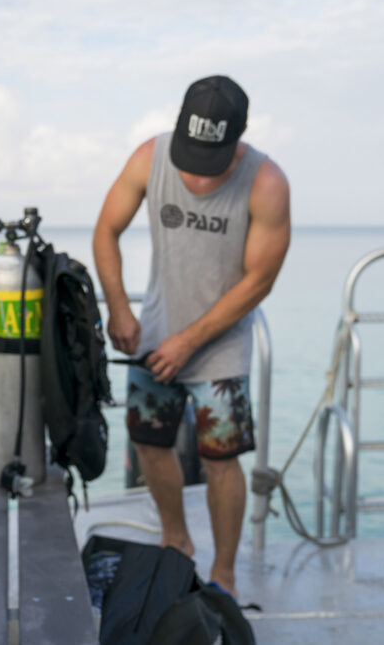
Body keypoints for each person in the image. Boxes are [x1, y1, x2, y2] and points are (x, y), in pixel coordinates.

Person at [92, 75, 290, 595]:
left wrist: (190, 341)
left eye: (212, 161)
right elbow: (106, 230)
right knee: (148, 442)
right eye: (191, 155)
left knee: (221, 458)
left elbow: (260, 280)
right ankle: (176, 542)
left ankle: (223, 573)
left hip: (220, 348)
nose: (198, 179)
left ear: (238, 138)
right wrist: (118, 308)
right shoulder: (148, 158)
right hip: (155, 337)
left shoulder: (266, 182)